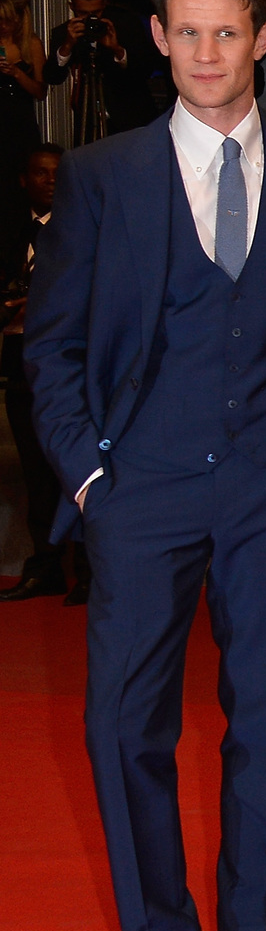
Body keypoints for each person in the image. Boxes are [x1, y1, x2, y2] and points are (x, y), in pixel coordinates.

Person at [24, 0, 266, 931]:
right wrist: (91, 478)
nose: (209, 53)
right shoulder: (104, 175)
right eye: (188, 32)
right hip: (141, 488)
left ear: (261, 37)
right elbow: (53, 343)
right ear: (159, 38)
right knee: (124, 727)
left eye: (230, 32)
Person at [2, 144, 63, 600]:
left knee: (75, 470)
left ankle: (90, 571)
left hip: (68, 370)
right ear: (24, 180)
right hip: (18, 367)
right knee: (34, 474)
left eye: (58, 173)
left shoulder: (87, 230)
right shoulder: (10, 234)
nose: (51, 181)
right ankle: (44, 567)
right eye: (40, 174)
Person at [45, 0, 160, 140]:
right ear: (72, 8)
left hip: (130, 120)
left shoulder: (125, 25)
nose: (91, 19)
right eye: (83, 13)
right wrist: (67, 46)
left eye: (96, 13)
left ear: (104, 5)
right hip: (89, 122)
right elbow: (52, 77)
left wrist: (117, 49)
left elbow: (145, 70)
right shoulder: (64, 33)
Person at [0, 0, 49, 179]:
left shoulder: (31, 44)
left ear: (19, 18)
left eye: (8, 20)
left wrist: (17, 73)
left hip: (20, 126)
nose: (3, 26)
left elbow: (40, 92)